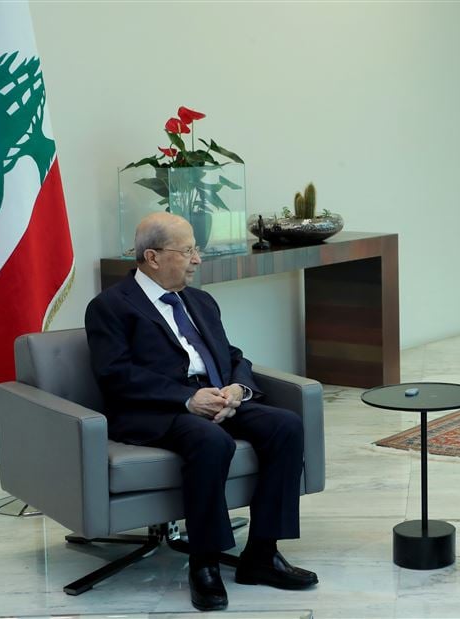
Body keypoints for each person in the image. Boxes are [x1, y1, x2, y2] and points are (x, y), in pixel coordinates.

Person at [85, 212, 317, 612]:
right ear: (153, 257)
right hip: (156, 410)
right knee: (209, 440)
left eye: (197, 250)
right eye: (188, 251)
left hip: (218, 397)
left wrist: (238, 388)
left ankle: (262, 554)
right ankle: (204, 561)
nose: (197, 259)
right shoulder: (110, 306)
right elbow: (116, 375)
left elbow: (232, 355)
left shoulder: (200, 301)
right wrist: (187, 400)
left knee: (286, 425)